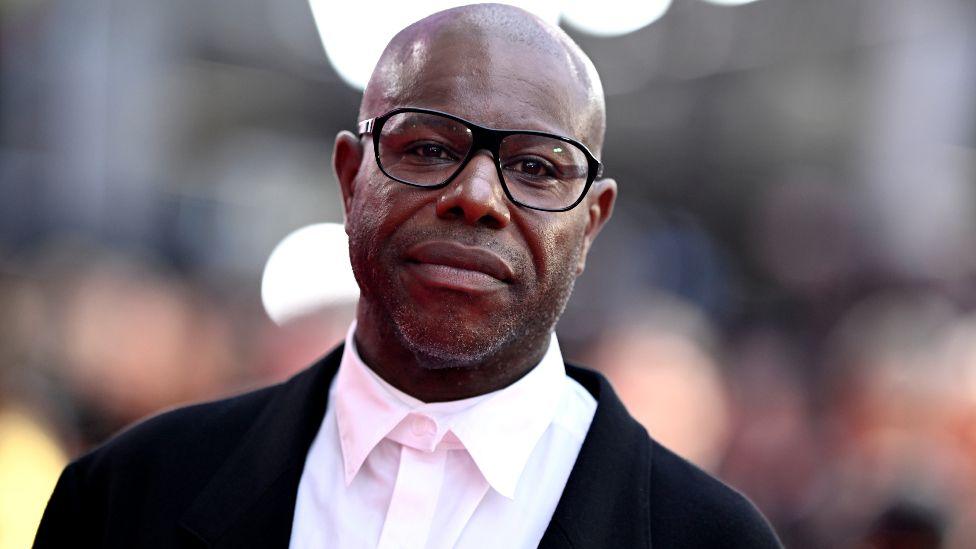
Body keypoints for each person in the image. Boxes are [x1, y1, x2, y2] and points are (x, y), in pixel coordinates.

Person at [34, 4, 781, 548]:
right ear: (350, 176)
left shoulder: (711, 536)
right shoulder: (127, 496)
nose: (476, 197)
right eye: (427, 149)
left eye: (534, 166)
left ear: (590, 223)